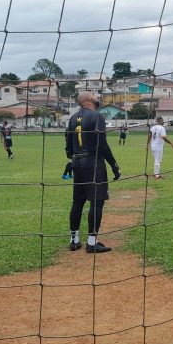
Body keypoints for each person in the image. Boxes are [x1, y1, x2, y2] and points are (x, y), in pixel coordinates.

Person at [65, 91, 121, 254]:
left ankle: (74, 240)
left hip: (77, 162)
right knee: (97, 202)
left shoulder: (73, 118)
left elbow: (68, 141)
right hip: (93, 162)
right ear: (87, 99)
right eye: (93, 94)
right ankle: (91, 242)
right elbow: (101, 143)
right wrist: (114, 165)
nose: (97, 96)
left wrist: (72, 159)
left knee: (78, 201)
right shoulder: (96, 116)